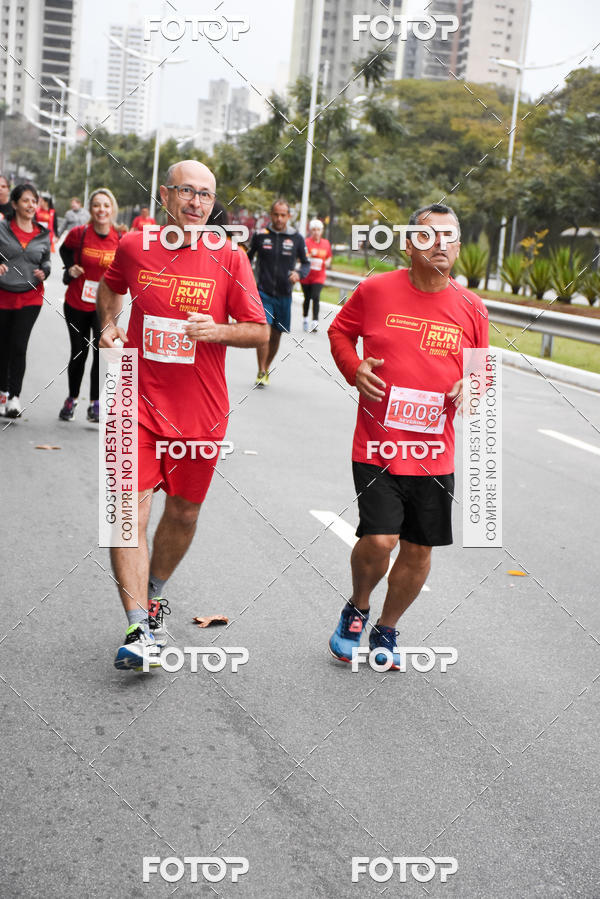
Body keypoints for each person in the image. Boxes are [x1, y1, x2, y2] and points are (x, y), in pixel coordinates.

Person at [97, 159, 268, 670]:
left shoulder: (229, 257)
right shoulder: (134, 246)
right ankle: (138, 625)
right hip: (137, 404)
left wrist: (218, 331)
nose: (197, 203)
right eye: (187, 192)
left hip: (201, 413)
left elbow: (258, 330)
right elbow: (111, 286)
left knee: (184, 512)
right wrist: (108, 324)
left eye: (207, 195)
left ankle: (153, 593)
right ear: (165, 195)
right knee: (130, 511)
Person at [327, 203, 489, 669]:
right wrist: (353, 368)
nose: (440, 243)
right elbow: (340, 332)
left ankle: (387, 628)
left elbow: (482, 374)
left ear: (458, 247)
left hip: (434, 454)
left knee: (419, 550)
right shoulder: (376, 290)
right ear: (409, 244)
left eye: (450, 236)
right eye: (429, 235)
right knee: (380, 540)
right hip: (377, 444)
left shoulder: (471, 308)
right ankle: (357, 607)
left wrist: (470, 384)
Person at [58, 188, 121, 423]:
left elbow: (125, 270)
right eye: (96, 205)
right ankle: (72, 399)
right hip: (77, 302)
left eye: (106, 205)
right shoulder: (80, 233)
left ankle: (96, 403)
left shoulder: (119, 238)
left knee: (99, 353)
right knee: (79, 353)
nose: (101, 210)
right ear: (90, 209)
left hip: (105, 308)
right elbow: (65, 250)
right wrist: (69, 268)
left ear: (112, 209)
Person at [0, 183, 51, 418]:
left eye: (34, 200)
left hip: (31, 296)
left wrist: (45, 272)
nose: (31, 205)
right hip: (3, 295)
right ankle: (2, 393)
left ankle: (14, 398)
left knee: (19, 346)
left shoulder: (42, 233)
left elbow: (46, 261)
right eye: (26, 201)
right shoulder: (2, 228)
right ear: (14, 204)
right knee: (3, 346)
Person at [246, 198, 310, 386]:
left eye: (283, 215)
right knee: (264, 332)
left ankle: (267, 366)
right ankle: (261, 370)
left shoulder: (296, 238)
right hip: (263, 292)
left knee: (275, 335)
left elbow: (306, 263)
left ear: (289, 216)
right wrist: (247, 279)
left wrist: (299, 273)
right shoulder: (260, 235)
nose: (279, 218)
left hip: (284, 295)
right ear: (270, 214)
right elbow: (246, 259)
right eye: (276, 214)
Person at [301, 218, 332, 333]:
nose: (316, 232)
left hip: (319, 276)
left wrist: (328, 261)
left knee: (316, 296)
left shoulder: (326, 243)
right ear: (310, 231)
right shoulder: (306, 242)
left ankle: (315, 322)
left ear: (321, 231)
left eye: (318, 230)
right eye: (313, 230)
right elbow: (302, 257)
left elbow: (329, 256)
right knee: (307, 298)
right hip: (306, 275)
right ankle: (305, 318)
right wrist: (309, 254)